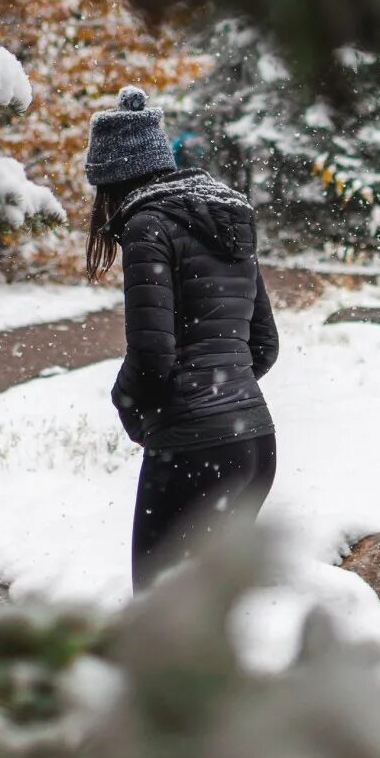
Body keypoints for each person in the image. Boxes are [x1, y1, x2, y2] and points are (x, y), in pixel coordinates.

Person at [84, 84, 279, 592]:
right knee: (205, 625)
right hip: (255, 444)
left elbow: (152, 354)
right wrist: (220, 388)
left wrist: (129, 401)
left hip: (196, 454)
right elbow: (264, 345)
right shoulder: (228, 216)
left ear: (114, 178)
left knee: (157, 613)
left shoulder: (149, 225)